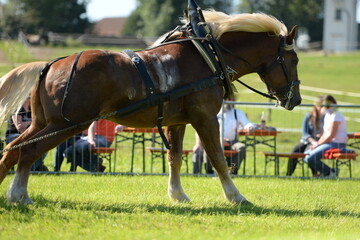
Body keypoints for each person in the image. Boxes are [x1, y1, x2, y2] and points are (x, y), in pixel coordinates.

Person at [192, 97, 264, 175]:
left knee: (241, 148)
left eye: (231, 99)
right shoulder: (213, 113)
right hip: (215, 141)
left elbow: (247, 123)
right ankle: (209, 172)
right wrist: (218, 139)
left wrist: (250, 127)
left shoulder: (237, 113)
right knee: (208, 147)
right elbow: (203, 128)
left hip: (232, 142)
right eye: (226, 99)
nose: (228, 101)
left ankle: (232, 171)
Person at [304, 95, 348, 178]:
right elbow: (325, 134)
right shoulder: (328, 115)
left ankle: (328, 173)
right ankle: (329, 172)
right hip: (328, 143)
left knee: (310, 158)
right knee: (306, 156)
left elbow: (331, 136)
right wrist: (316, 144)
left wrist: (318, 144)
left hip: (337, 144)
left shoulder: (336, 115)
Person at [5, 96, 48, 171]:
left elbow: (40, 125)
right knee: (28, 144)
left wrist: (30, 125)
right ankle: (27, 169)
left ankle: (31, 168)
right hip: (13, 136)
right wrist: (32, 123)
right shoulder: (17, 110)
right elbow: (20, 127)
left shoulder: (33, 111)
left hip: (29, 136)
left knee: (44, 145)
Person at [286, 96, 325, 176]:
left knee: (309, 151)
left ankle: (315, 174)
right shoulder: (309, 116)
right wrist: (313, 141)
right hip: (307, 141)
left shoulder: (327, 117)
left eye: (322, 106)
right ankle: (288, 175)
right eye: (319, 106)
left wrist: (319, 139)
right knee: (294, 151)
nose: (320, 108)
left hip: (321, 142)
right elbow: (305, 133)